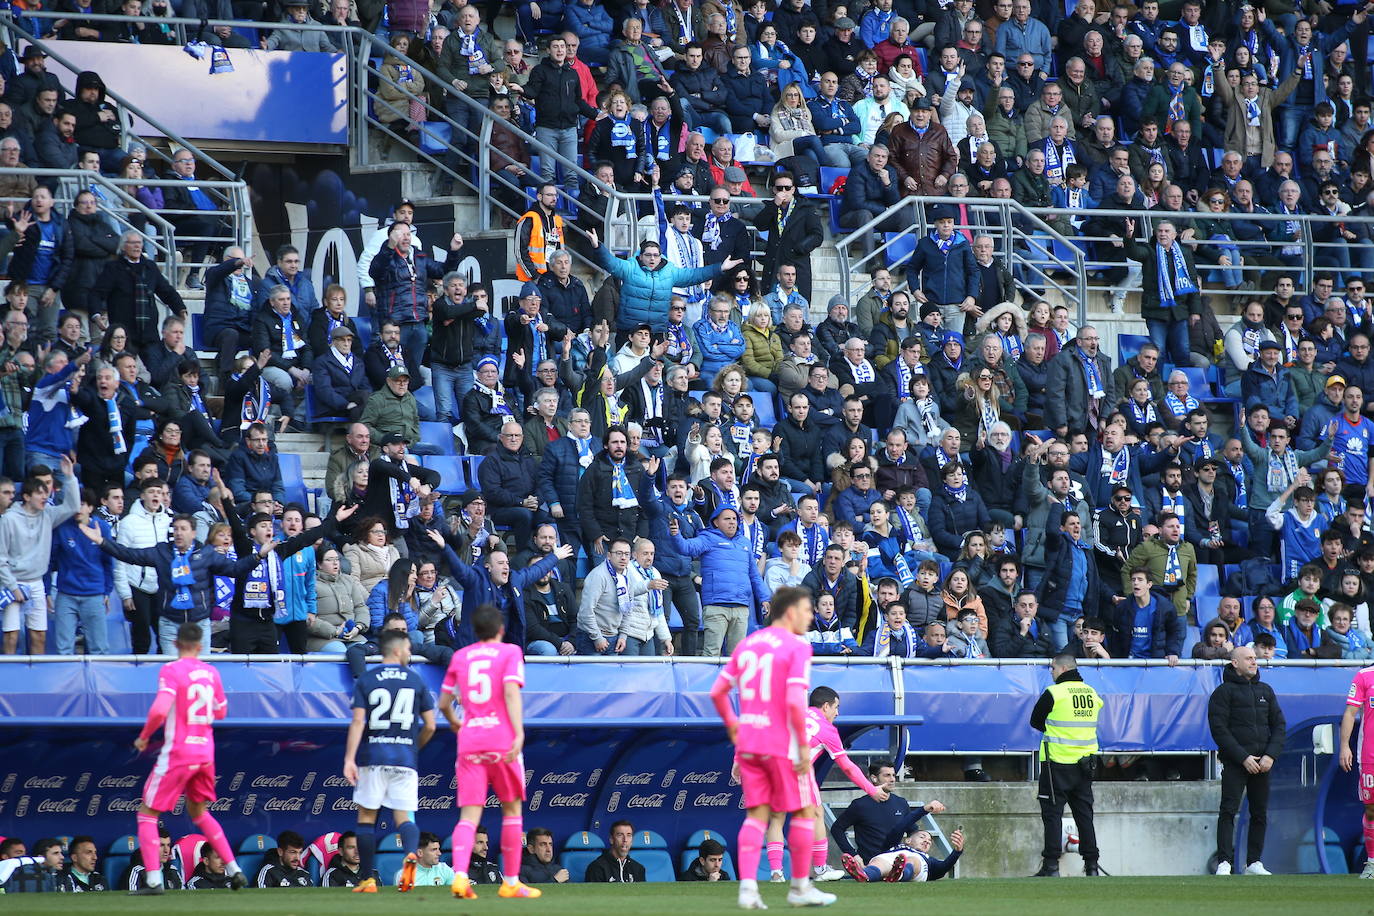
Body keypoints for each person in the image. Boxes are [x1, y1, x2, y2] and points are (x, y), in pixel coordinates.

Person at [710, 586, 834, 909]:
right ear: (790, 612)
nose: (810, 616)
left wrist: (737, 731)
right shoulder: (797, 646)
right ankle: (799, 887)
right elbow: (794, 700)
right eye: (807, 610)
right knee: (807, 811)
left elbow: (718, 693)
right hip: (780, 741)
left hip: (750, 743)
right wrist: (801, 746)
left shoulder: (747, 644)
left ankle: (748, 890)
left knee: (756, 815)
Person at [125, 622, 247, 894]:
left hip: (179, 752)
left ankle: (154, 881)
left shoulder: (171, 670)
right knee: (198, 812)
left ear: (177, 644)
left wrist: (145, 735)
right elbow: (222, 712)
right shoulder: (212, 671)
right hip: (205, 752)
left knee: (147, 813)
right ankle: (235, 869)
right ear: (201, 646)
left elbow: (159, 709)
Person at [437, 604, 543, 900]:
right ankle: (510, 882)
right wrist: (519, 731)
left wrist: (456, 723)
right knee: (511, 810)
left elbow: (444, 702)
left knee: (469, 815)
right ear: (500, 629)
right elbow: (510, 692)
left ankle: (459, 876)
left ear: (474, 630)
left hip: (470, 741)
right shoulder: (510, 652)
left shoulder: (460, 656)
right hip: (501, 739)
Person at [343, 627, 437, 893]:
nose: (410, 653)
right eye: (408, 648)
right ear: (397, 650)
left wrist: (349, 758)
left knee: (366, 819)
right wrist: (413, 748)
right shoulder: (415, 680)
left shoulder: (367, 679)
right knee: (404, 817)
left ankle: (367, 880)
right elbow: (430, 725)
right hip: (405, 758)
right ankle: (410, 856)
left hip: (372, 756)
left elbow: (358, 721)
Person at [1209, 645, 1285, 876]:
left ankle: (1254, 862)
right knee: (1228, 811)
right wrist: (1243, 757)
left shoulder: (1266, 691)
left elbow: (1279, 726)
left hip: (1263, 763)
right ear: (1235, 663)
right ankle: (1225, 861)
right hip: (1236, 763)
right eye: (1249, 658)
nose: (1254, 662)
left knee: (1260, 812)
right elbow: (1219, 730)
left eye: (1255, 658)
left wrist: (1270, 755)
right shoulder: (1222, 693)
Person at [1030, 653, 1103, 878]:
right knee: (1084, 815)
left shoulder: (1054, 692)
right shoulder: (1091, 693)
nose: (1051, 672)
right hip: (1086, 763)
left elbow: (1035, 721)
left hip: (1057, 763)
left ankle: (1051, 866)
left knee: (1052, 815)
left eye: (1052, 668)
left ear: (1062, 669)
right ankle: (1091, 865)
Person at [0, 455, 78, 655]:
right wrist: (12, 586)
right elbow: (1, 559)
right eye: (39, 493)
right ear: (26, 496)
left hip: (36, 583)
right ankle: (9, 681)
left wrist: (70, 477)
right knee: (11, 635)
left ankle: (37, 680)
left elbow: (72, 507)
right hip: (12, 583)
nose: (45, 497)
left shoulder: (48, 515)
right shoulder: (8, 519)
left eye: (46, 493)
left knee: (39, 635)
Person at [1340, 660, 1374, 878]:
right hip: (1370, 754)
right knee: (1371, 809)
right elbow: (1350, 713)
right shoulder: (1364, 676)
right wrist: (1344, 746)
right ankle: (1372, 862)